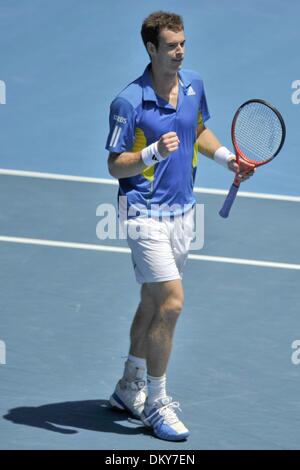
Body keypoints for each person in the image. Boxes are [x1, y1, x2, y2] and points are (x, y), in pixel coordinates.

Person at [105, 11, 254, 442]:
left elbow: (198, 130)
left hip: (183, 211)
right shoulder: (128, 102)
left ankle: (127, 385)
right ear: (151, 49)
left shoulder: (193, 86)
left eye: (183, 43)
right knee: (171, 302)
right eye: (171, 46)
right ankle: (156, 401)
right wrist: (150, 153)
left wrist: (228, 159)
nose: (180, 51)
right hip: (142, 211)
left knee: (152, 302)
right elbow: (114, 165)